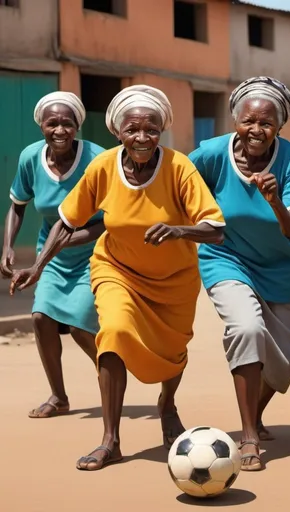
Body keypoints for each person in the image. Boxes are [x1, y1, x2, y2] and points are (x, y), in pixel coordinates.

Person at [10, 84, 225, 471]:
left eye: (152, 129)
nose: (142, 138)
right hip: (117, 269)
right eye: (133, 130)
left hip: (173, 278)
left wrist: (179, 231)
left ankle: (167, 403)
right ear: (118, 131)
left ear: (162, 131)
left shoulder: (179, 167)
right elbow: (65, 221)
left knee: (172, 353)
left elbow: (214, 228)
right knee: (112, 334)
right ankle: (111, 440)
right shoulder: (103, 166)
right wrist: (37, 266)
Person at [188, 76, 290, 471]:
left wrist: (275, 201)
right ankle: (249, 436)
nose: (256, 130)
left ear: (280, 125)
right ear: (234, 119)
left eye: (267, 123)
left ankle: (253, 414)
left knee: (288, 360)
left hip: (281, 267)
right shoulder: (209, 154)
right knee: (246, 329)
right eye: (248, 121)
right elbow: (179, 190)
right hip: (227, 259)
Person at [1, 92, 105, 418]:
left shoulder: (97, 159)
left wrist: (58, 247)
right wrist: (7, 246)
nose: (60, 130)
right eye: (52, 123)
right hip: (53, 253)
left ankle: (111, 372)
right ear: (42, 126)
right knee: (40, 317)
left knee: (79, 327)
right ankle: (59, 397)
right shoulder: (31, 157)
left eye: (67, 123)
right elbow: (18, 206)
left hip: (94, 252)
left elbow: (109, 221)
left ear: (77, 127)